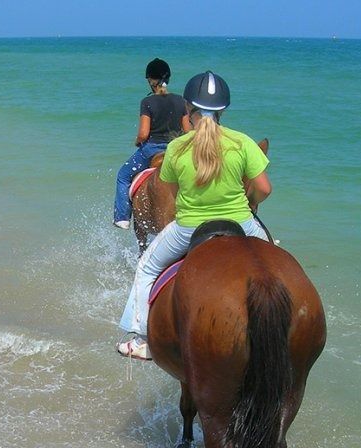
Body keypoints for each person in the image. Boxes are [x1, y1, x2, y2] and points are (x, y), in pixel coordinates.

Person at [117, 70, 272, 360]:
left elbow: (174, 192)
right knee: (273, 260)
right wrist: (249, 202)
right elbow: (264, 189)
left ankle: (141, 339)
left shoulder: (177, 147)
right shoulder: (243, 142)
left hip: (189, 228)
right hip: (241, 223)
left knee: (147, 268)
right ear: (223, 109)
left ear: (188, 107)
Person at [112, 58, 190, 230]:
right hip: (176, 150)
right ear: (168, 78)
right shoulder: (180, 101)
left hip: (151, 150)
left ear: (150, 81)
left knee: (123, 176)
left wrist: (137, 141)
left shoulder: (147, 102)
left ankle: (122, 217)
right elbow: (188, 131)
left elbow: (143, 134)